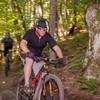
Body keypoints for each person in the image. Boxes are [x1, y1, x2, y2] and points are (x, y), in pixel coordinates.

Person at [20, 18, 66, 90]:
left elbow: (56, 48)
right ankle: (26, 85)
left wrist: (61, 58)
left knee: (41, 71)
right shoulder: (30, 33)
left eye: (44, 29)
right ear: (36, 28)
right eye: (40, 29)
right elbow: (22, 44)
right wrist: (28, 52)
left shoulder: (47, 36)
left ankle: (37, 90)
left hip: (37, 56)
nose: (42, 31)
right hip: (26, 53)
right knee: (30, 60)